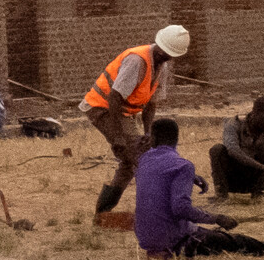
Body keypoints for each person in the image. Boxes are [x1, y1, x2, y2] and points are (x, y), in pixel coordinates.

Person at [79, 25, 190, 214]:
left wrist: (149, 132)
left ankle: (103, 212)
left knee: (131, 161)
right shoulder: (137, 60)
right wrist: (117, 137)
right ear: (159, 44)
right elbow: (115, 97)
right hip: (102, 107)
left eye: (170, 55)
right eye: (164, 53)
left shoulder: (161, 67)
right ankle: (156, 210)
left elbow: (151, 103)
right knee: (143, 158)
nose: (166, 57)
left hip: (121, 112)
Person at [133, 118, 264, 260]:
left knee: (217, 236)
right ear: (176, 138)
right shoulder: (183, 166)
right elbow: (180, 208)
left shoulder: (144, 160)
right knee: (237, 242)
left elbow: (159, 176)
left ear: (153, 138)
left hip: (146, 239)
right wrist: (217, 218)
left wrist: (191, 177)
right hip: (174, 241)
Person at [210, 95, 264, 199]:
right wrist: (262, 167)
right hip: (231, 179)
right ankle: (221, 193)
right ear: (257, 113)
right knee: (217, 150)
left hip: (252, 181)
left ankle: (259, 193)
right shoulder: (234, 124)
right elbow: (233, 151)